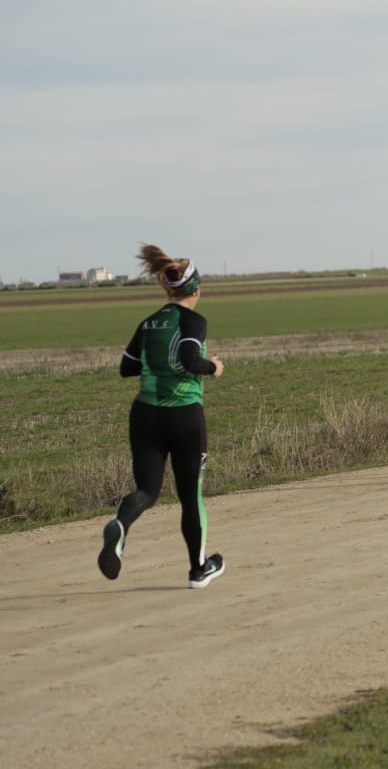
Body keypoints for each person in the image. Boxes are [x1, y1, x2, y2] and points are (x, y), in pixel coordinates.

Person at [99, 244, 227, 589]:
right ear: (195, 288)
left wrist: (156, 363)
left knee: (147, 490)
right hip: (184, 416)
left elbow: (127, 367)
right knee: (190, 496)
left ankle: (121, 526)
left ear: (167, 289)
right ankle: (198, 570)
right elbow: (189, 360)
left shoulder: (148, 322)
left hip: (144, 415)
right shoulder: (193, 320)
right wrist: (213, 367)